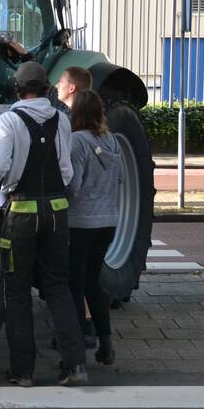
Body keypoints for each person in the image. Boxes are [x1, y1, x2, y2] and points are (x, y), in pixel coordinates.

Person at [0, 61, 88, 387]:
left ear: (17, 90)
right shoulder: (62, 119)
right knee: (58, 286)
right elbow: (66, 170)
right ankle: (75, 366)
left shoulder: (9, 120)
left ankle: (23, 371)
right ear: (45, 88)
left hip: (21, 214)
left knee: (16, 292)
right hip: (58, 211)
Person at [66, 89, 121, 366]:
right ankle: (107, 345)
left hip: (80, 223)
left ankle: (78, 346)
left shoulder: (76, 141)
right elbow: (119, 179)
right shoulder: (112, 141)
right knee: (93, 283)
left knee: (74, 284)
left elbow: (73, 186)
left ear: (76, 113)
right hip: (108, 222)